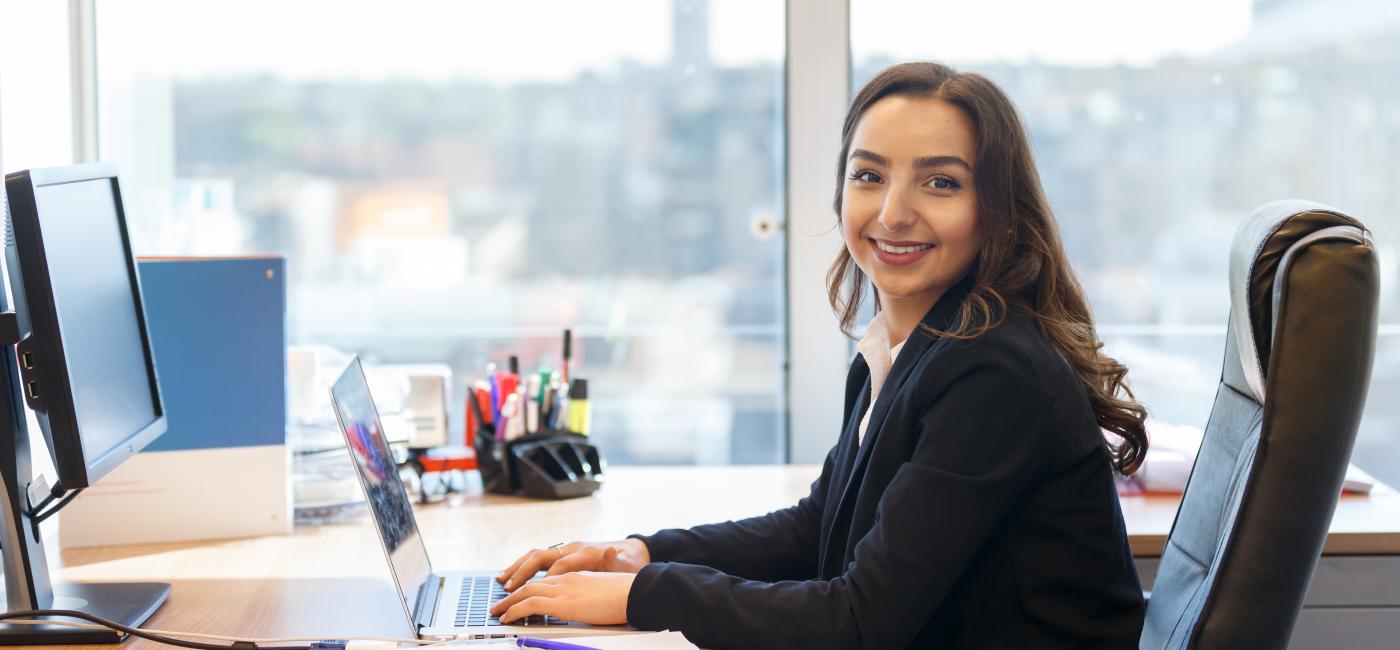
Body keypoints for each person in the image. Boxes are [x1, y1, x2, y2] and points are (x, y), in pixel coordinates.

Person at [490, 61, 1149, 648]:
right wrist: (638, 554)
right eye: (869, 175)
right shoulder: (903, 349)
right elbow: (817, 528)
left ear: (995, 209)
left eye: (940, 184)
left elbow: (860, 620)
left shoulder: (993, 373)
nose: (893, 213)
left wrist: (647, 595)